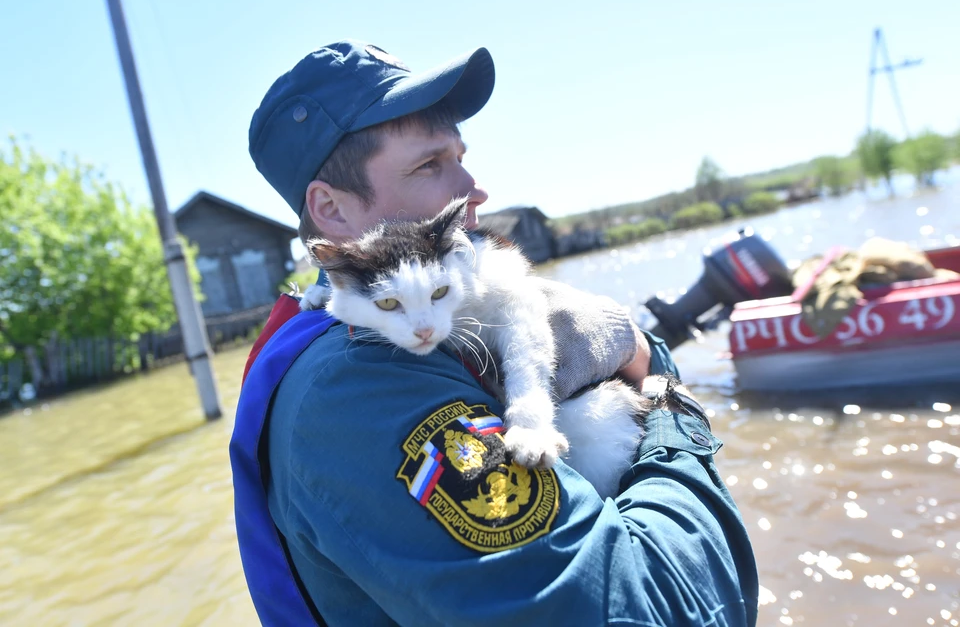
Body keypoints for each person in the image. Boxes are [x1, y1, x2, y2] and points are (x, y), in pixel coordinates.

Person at [231, 40, 759, 627]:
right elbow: (665, 612)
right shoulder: (357, 390)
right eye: (430, 165)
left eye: (461, 157)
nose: (474, 188)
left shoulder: (376, 325)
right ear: (330, 210)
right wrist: (667, 403)